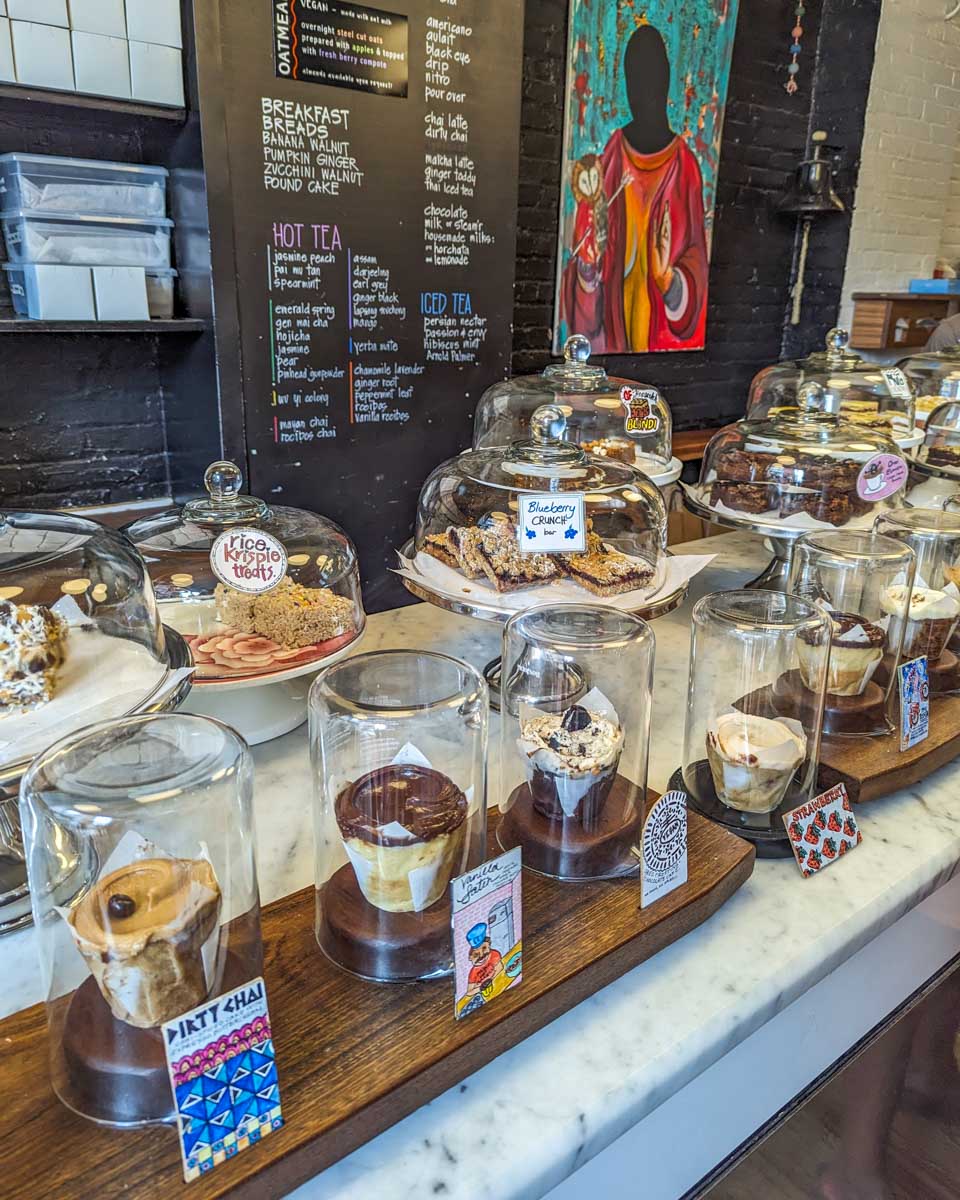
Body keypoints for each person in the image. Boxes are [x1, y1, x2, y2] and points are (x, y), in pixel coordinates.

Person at [561, 24, 709, 353]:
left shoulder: (685, 170)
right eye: (635, 80)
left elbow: (697, 268)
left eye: (652, 78)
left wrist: (667, 279)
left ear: (667, 80)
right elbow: (582, 312)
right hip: (613, 338)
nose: (643, 92)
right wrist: (588, 269)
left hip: (659, 342)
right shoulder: (609, 163)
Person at [465, 922, 504, 998]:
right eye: (476, 954)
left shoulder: (494, 955)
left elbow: (500, 967)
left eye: (484, 948)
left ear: (489, 945)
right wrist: (481, 988)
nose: (482, 955)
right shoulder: (473, 972)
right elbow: (469, 992)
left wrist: (490, 980)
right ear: (470, 958)